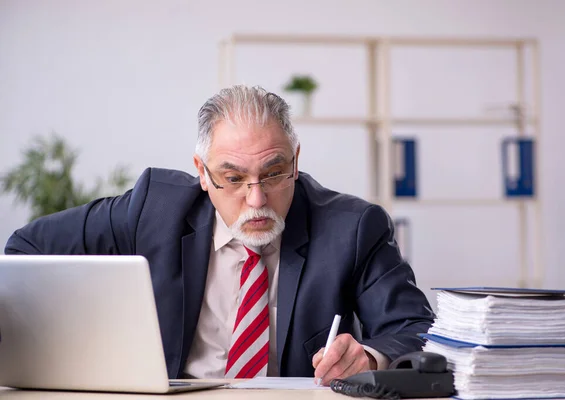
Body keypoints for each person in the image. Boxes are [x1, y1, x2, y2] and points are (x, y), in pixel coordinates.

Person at [5, 85, 434, 385]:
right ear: (202, 173)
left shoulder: (353, 227)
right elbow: (26, 249)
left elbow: (417, 329)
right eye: (233, 178)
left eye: (274, 173)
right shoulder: (152, 208)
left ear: (296, 161)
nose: (256, 199)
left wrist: (370, 356)